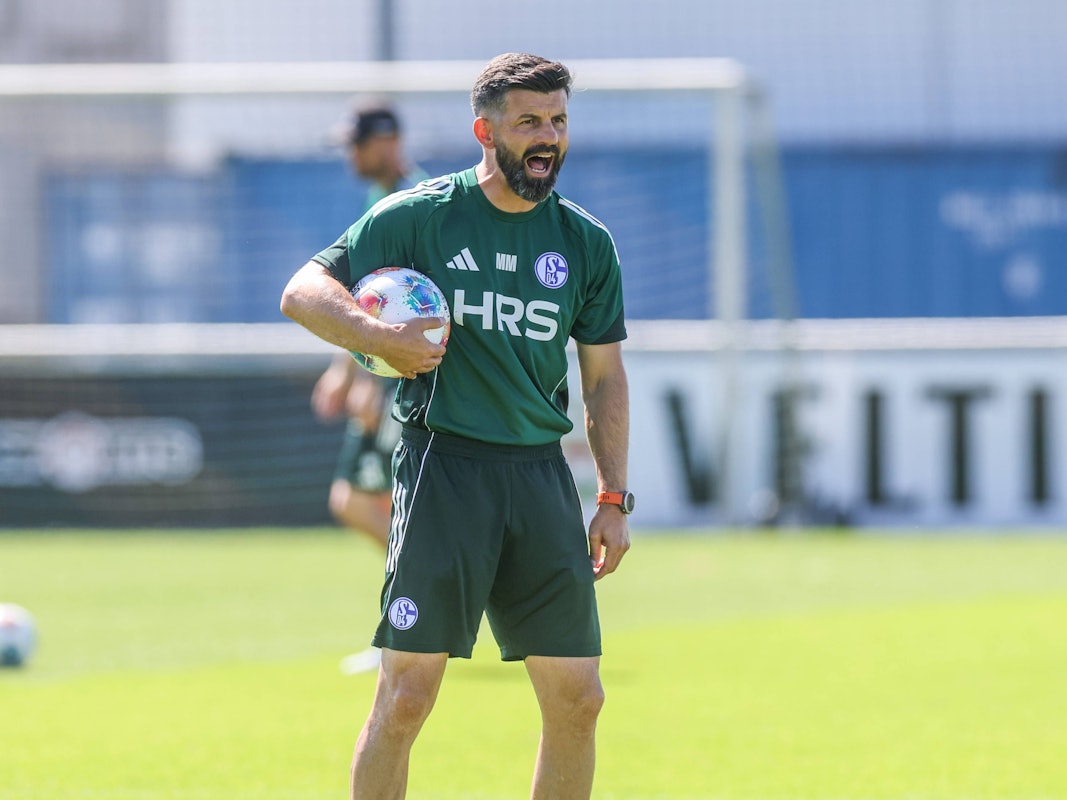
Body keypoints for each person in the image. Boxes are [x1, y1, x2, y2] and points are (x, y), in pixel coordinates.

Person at [281, 53, 632, 799]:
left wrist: (611, 497)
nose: (548, 137)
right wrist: (374, 339)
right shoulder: (420, 216)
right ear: (485, 130)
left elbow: (602, 378)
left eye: (559, 121)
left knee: (579, 699)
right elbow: (303, 291)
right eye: (529, 121)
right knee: (406, 697)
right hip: (445, 470)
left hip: (540, 478)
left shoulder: (586, 244)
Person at [311, 103, 428, 675]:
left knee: (358, 502)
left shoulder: (414, 202)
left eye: (356, 144)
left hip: (402, 386)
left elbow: (412, 305)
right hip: (383, 378)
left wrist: (368, 376)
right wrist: (349, 369)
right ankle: (423, 602)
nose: (351, 156)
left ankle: (422, 605)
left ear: (385, 143)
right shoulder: (380, 199)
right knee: (362, 503)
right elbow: (369, 299)